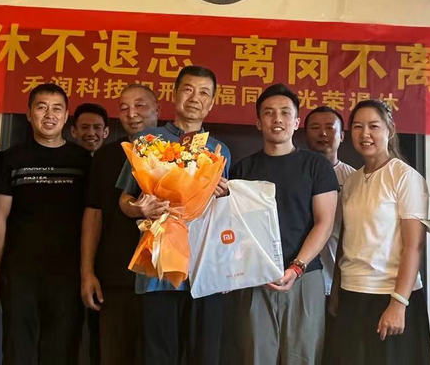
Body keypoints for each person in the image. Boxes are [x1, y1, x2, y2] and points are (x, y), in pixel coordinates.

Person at [117, 66, 231, 365]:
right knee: (158, 355)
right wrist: (139, 208)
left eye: (204, 93)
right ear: (175, 94)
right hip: (157, 267)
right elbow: (124, 200)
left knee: (203, 356)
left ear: (212, 103)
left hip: (203, 268)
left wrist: (223, 196)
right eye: (188, 89)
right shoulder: (147, 141)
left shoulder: (220, 151)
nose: (195, 98)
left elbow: (225, 216)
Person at [227, 83, 337, 365]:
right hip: (255, 278)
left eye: (285, 112)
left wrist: (296, 267)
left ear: (297, 121)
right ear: (258, 122)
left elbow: (324, 223)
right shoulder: (243, 169)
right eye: (268, 113)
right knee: (255, 355)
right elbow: (235, 227)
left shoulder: (316, 166)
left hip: (304, 276)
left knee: (303, 357)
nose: (277, 119)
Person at [0, 83, 92, 364]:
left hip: (68, 271)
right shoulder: (12, 158)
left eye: (57, 108)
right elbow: (0, 218)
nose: (49, 115)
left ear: (66, 116)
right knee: (17, 347)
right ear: (29, 113)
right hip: (19, 270)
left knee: (61, 349)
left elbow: (91, 217)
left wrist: (88, 270)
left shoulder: (82, 160)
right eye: (41, 107)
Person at [326, 99, 430, 365]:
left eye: (373, 126)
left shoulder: (404, 177)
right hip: (352, 292)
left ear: (390, 130)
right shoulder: (352, 180)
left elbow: (414, 246)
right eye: (358, 127)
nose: (365, 134)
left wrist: (399, 303)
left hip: (389, 295)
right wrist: (337, 289)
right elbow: (346, 238)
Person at [81, 84, 159, 364]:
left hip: (163, 279)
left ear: (157, 109)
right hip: (115, 275)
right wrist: (87, 272)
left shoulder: (177, 154)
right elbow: (94, 215)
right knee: (114, 354)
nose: (131, 114)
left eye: (140, 105)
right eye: (124, 108)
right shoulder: (106, 156)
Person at [304, 106, 356, 296]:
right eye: (315, 127)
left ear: (342, 136)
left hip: (342, 279)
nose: (323, 133)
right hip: (301, 277)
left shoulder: (354, 179)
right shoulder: (295, 173)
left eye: (329, 127)